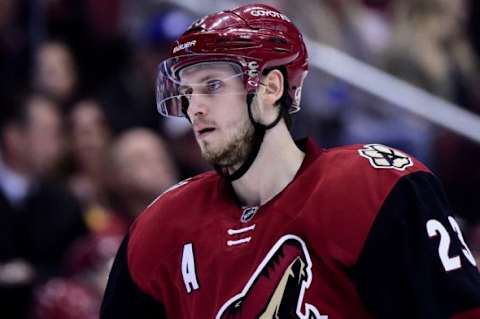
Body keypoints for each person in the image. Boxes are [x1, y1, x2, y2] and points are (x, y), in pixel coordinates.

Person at [101, 4, 480, 318]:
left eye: (212, 86)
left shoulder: (375, 189)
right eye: (186, 92)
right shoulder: (160, 229)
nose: (193, 107)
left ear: (271, 88)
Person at [0, 93, 87, 318]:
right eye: (49, 132)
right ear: (14, 137)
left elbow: (77, 263)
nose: (58, 143)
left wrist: (33, 274)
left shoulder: (64, 202)